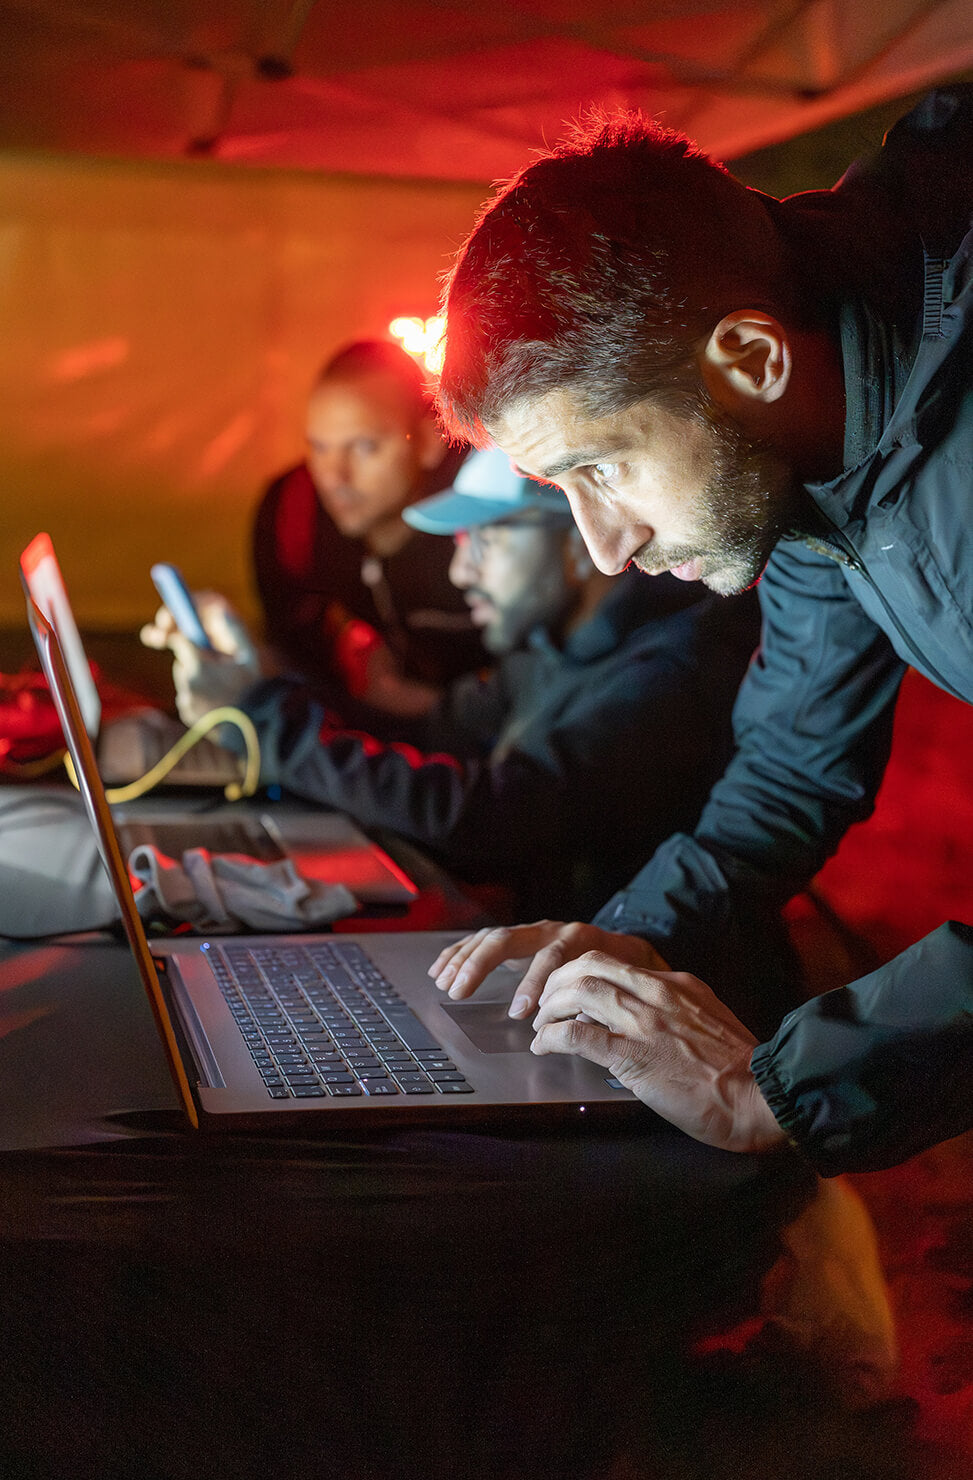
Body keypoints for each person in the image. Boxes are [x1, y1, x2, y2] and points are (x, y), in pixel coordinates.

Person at [428, 86, 973, 1175]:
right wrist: (635, 932)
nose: (603, 551)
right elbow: (795, 759)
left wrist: (777, 1084)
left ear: (752, 358)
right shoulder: (811, 440)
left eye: (602, 466)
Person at [143, 447, 771, 952]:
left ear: (581, 544)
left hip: (644, 1016)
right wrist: (260, 687)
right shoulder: (558, 647)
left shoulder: (667, 674)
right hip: (546, 975)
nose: (458, 572)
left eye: (487, 541)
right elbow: (434, 731)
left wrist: (266, 722)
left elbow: (491, 818)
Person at [254, 338, 485, 715]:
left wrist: (435, 711)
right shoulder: (290, 512)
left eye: (363, 447)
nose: (333, 477)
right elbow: (288, 643)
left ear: (429, 442)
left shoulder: (484, 519)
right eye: (319, 447)